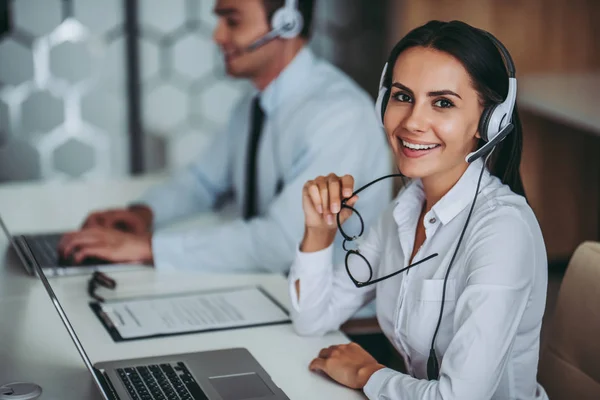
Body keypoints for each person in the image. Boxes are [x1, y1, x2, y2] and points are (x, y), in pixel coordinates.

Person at [290, 20, 549, 399]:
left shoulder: (503, 232)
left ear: (490, 122)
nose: (412, 122)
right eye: (402, 96)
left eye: (442, 102)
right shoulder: (405, 210)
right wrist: (318, 232)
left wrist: (367, 374)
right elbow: (312, 318)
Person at [57, 0, 391, 273]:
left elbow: (282, 242)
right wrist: (145, 214)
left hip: (341, 327)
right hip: (270, 293)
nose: (217, 36)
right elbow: (202, 181)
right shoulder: (253, 104)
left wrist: (148, 248)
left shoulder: (338, 115)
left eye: (232, 21)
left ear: (287, 23)